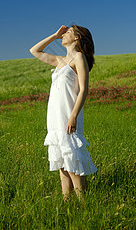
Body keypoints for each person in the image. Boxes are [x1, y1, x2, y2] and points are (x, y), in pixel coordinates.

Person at [29, 24, 98, 202]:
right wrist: (54, 35)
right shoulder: (60, 61)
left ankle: (85, 206)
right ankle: (67, 205)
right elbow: (34, 50)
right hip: (55, 118)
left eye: (68, 32)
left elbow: (83, 89)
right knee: (62, 165)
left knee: (73, 163)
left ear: (77, 38)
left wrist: (74, 115)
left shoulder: (79, 57)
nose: (63, 34)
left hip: (68, 115)